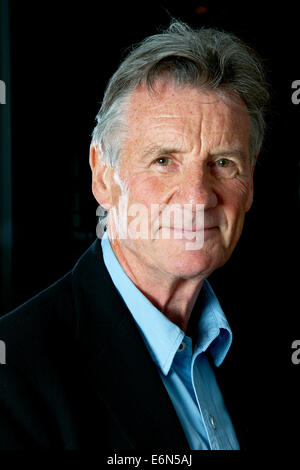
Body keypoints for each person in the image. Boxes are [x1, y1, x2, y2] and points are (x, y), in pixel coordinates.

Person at [0, 20, 269, 450]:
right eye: (164, 160)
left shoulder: (262, 338)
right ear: (104, 177)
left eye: (222, 163)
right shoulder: (13, 375)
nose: (199, 198)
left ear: (250, 183)